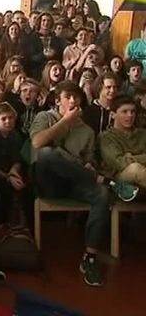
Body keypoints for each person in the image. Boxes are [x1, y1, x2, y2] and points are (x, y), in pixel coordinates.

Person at [30, 80, 137, 287]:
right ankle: (108, 182)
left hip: (76, 181)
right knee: (46, 153)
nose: (72, 100)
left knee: (102, 195)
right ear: (57, 101)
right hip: (49, 181)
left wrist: (88, 165)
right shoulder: (44, 117)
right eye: (67, 97)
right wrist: (65, 122)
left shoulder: (87, 131)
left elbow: (90, 159)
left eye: (76, 97)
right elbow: (36, 143)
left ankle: (90, 258)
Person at [99, 94, 146, 191]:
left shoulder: (143, 134)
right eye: (124, 112)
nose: (130, 115)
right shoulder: (106, 137)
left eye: (133, 112)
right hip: (119, 179)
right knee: (135, 169)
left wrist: (130, 157)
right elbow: (120, 163)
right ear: (113, 115)